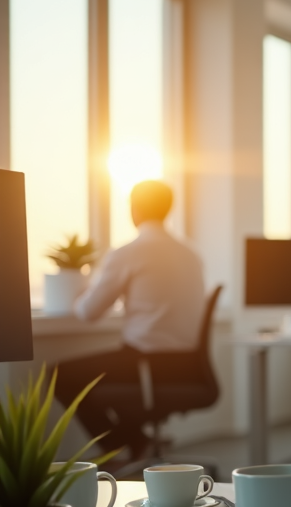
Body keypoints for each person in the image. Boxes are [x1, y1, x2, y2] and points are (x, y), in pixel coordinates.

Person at [55, 180, 206, 464]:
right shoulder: (191, 255)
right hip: (189, 366)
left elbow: (89, 312)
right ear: (168, 209)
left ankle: (128, 444)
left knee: (59, 375)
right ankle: (138, 442)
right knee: (101, 377)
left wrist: (76, 292)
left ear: (134, 209)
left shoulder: (129, 252)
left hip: (146, 364)